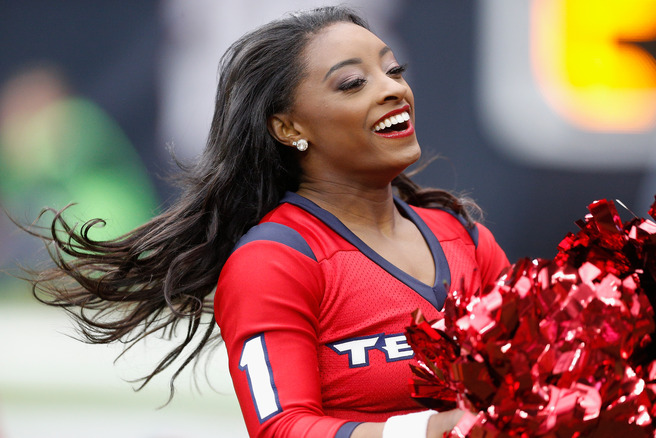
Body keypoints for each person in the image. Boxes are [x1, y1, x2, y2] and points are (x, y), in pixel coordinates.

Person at [27, 6, 509, 438]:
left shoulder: (466, 239)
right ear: (288, 127)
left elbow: (534, 381)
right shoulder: (274, 261)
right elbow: (281, 427)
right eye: (352, 83)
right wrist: (427, 430)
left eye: (393, 70)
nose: (393, 89)